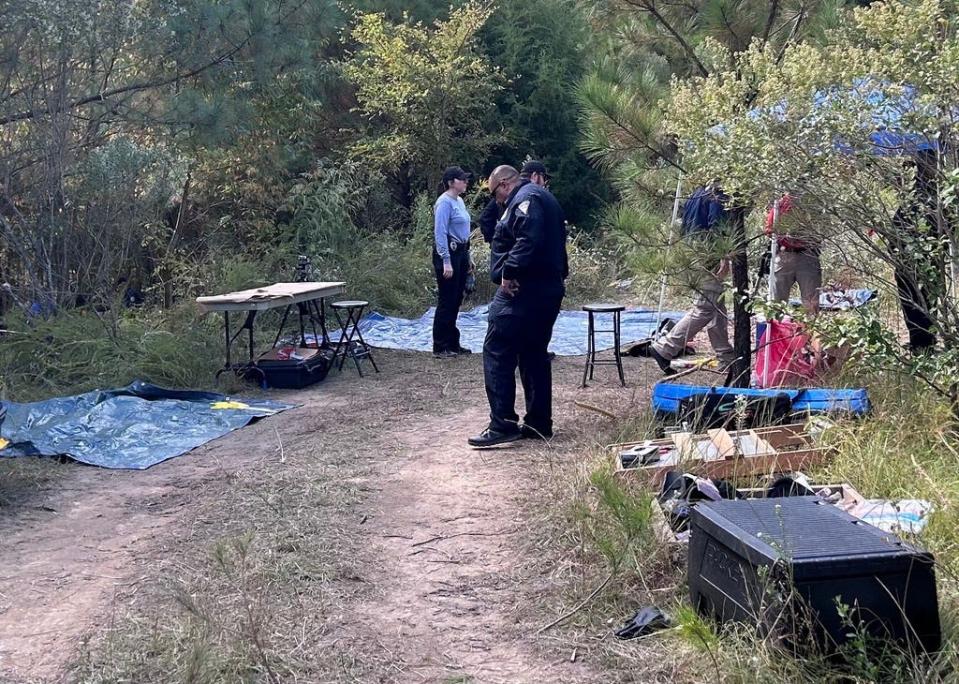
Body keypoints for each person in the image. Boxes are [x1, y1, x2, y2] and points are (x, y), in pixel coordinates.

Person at [468, 165, 568, 447]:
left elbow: (528, 239)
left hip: (522, 290)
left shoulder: (527, 199)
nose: (497, 202)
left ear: (503, 185)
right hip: (545, 288)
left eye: (495, 195)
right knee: (533, 354)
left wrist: (509, 272)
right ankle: (538, 422)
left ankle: (502, 423)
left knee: (497, 350)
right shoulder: (542, 196)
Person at [649, 184, 735, 375]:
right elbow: (716, 223)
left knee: (716, 307)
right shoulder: (717, 193)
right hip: (708, 255)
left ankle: (726, 357)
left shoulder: (696, 193)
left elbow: (684, 225)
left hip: (693, 253)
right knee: (705, 308)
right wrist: (724, 256)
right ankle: (665, 347)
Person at [432, 166, 474, 358]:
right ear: (451, 182)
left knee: (457, 299)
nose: (465, 182)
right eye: (462, 179)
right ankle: (440, 345)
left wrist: (469, 257)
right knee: (447, 299)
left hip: (461, 252)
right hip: (449, 253)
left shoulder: (460, 202)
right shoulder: (444, 203)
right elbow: (440, 232)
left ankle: (452, 342)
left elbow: (465, 231)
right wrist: (446, 260)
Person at [765, 193, 822, 315]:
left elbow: (822, 229)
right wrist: (784, 236)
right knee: (776, 302)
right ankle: (777, 331)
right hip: (784, 255)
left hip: (808, 255)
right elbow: (770, 230)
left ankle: (810, 332)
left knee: (811, 303)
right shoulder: (779, 204)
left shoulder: (813, 204)